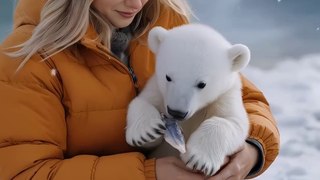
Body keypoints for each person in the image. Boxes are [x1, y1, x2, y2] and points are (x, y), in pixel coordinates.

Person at [0, 0, 280, 179]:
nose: (135, 3)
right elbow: (23, 172)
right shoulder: (27, 58)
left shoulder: (166, 25)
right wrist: (149, 174)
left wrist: (251, 150)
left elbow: (243, 98)